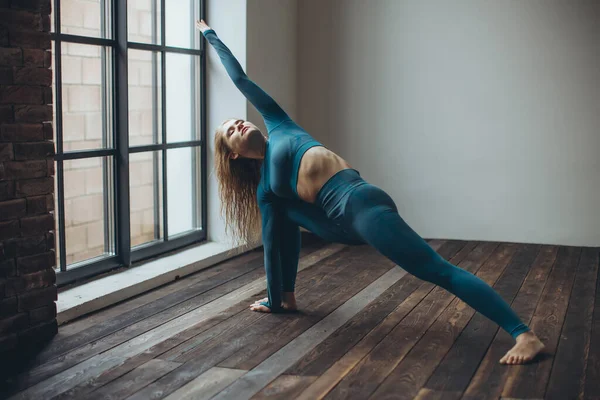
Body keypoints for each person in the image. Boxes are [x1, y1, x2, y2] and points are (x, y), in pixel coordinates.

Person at [195, 20, 544, 365]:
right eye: (230, 131)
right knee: (278, 214)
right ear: (234, 153)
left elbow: (240, 79)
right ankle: (283, 298)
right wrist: (274, 296)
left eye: (237, 120)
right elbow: (274, 246)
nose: (238, 124)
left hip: (362, 205)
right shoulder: (268, 191)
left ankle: (523, 334)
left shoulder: (279, 121)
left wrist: (211, 35)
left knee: (437, 270)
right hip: (339, 222)